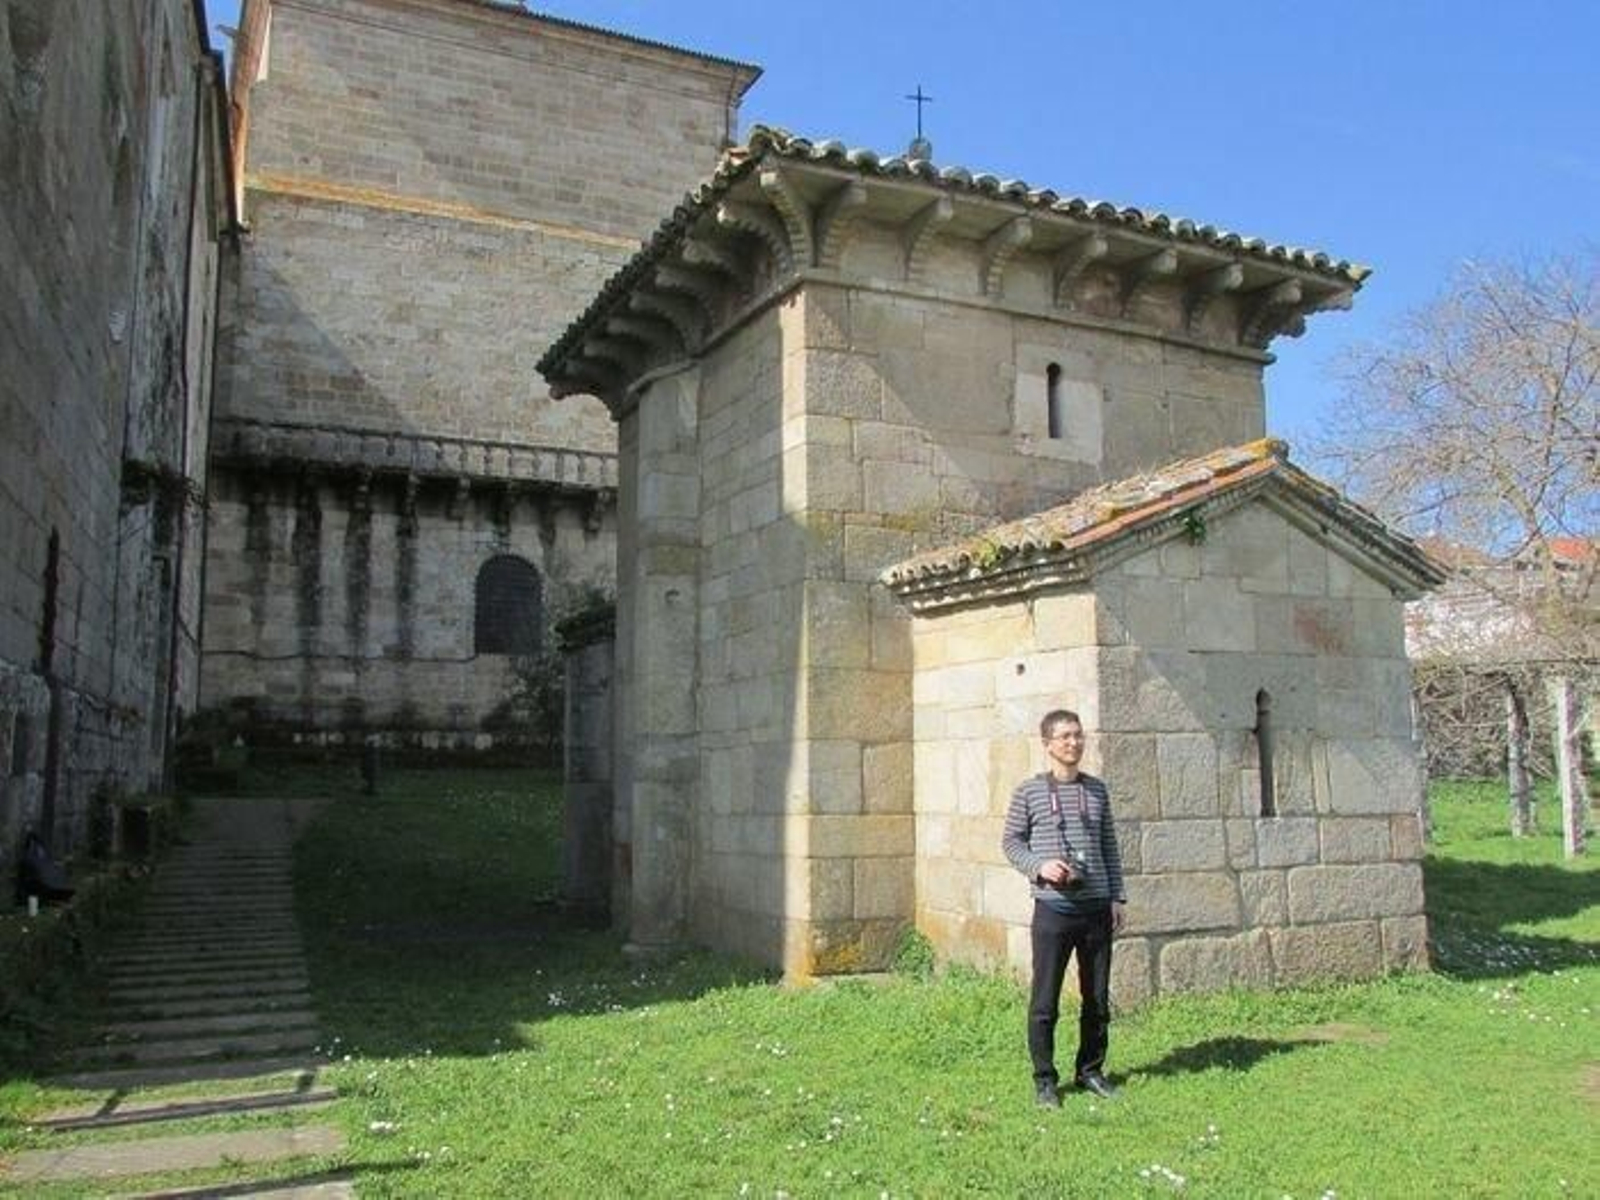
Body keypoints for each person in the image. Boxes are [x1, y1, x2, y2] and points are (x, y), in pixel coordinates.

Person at [1002, 709, 1127, 1107]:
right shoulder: (1029, 792)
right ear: (1048, 744)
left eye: (1078, 735)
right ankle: (1045, 1081)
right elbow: (1011, 843)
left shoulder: (1097, 791)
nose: (1073, 743)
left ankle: (1090, 1071)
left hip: (1095, 909)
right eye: (1065, 737)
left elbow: (1109, 846)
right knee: (1045, 1000)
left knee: (1097, 998)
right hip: (1053, 910)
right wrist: (1040, 867)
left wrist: (1117, 897)